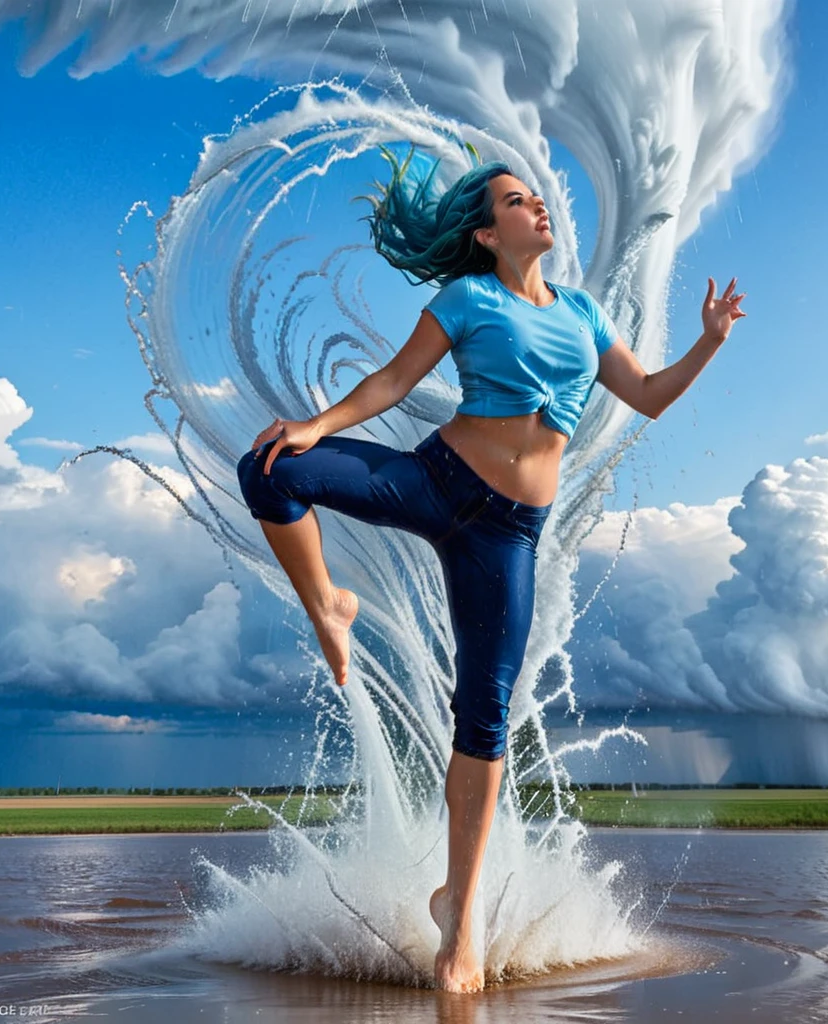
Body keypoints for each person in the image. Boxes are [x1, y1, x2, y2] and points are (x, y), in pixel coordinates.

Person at [235, 147, 747, 993]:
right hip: (435, 483)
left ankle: (457, 924)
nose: (539, 208)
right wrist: (318, 425)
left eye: (539, 199)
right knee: (269, 469)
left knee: (485, 722)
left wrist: (710, 342)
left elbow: (649, 394)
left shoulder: (583, 313)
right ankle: (328, 604)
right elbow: (395, 382)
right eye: (519, 201)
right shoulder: (466, 297)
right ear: (486, 230)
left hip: (506, 537)